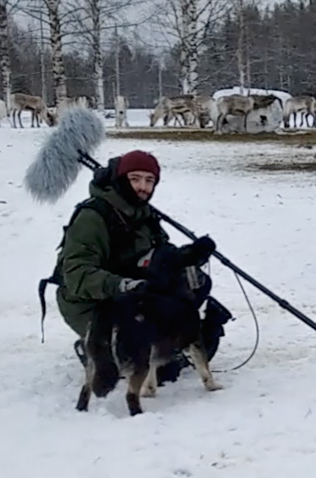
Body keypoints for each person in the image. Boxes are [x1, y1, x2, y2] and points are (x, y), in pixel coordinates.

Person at [49, 150, 203, 381]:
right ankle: (94, 347)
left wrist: (189, 256)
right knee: (145, 367)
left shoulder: (143, 213)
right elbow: (77, 274)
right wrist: (124, 285)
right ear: (121, 179)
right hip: (91, 303)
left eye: (149, 180)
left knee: (194, 281)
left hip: (129, 294)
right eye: (135, 179)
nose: (143, 187)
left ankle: (158, 342)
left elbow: (161, 254)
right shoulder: (93, 216)